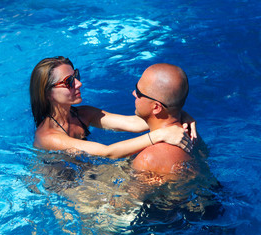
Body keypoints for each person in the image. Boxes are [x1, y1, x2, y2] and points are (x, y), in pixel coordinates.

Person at [30, 56, 196, 159]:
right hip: (61, 190)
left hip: (84, 175)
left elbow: (135, 124)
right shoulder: (48, 136)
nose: (79, 83)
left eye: (76, 76)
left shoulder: (83, 114)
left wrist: (177, 115)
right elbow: (107, 152)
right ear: (48, 94)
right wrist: (161, 134)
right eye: (69, 82)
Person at [132, 63, 200, 173]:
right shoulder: (192, 135)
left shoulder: (148, 160)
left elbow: (126, 191)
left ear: (156, 107)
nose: (133, 93)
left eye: (138, 92)